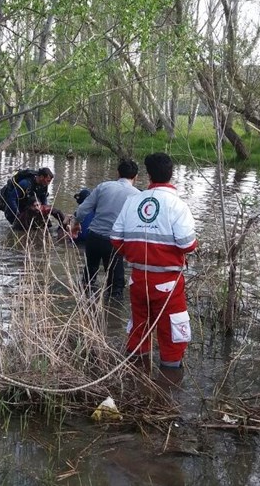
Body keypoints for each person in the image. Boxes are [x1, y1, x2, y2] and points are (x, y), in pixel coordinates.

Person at [110, 152, 197, 378]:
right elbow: (188, 244)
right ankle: (170, 380)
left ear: (148, 175)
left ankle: (135, 377)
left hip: (138, 278)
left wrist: (135, 255)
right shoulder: (178, 205)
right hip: (168, 282)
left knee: (138, 327)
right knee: (172, 333)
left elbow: (116, 238)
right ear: (171, 174)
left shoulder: (132, 201)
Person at [75, 159, 140, 301]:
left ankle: (84, 306)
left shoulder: (103, 186)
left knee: (88, 278)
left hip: (93, 237)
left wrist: (76, 223)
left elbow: (82, 209)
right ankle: (112, 312)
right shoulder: (137, 195)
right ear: (136, 177)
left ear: (118, 173)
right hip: (114, 242)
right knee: (116, 287)